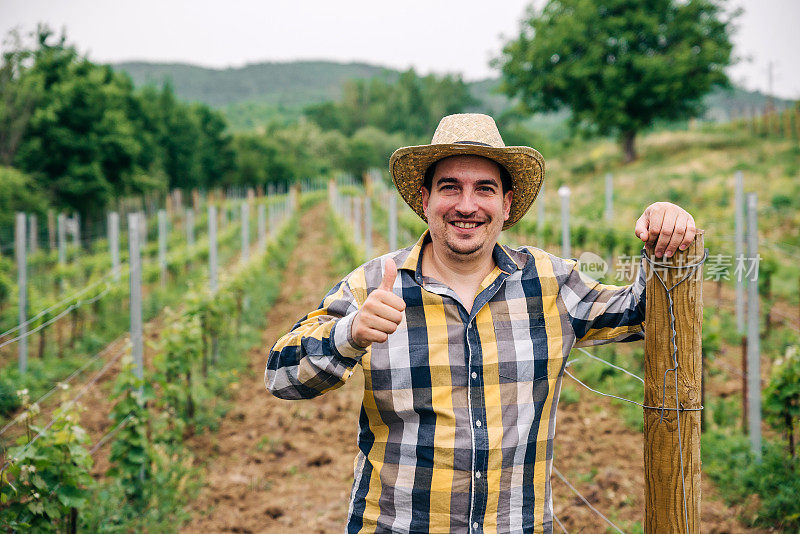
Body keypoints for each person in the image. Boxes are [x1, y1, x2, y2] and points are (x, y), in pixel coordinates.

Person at [265, 113, 696, 534]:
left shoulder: (549, 282)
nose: (466, 206)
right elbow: (280, 374)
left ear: (506, 204)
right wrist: (351, 333)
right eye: (449, 187)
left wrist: (665, 240)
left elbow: (644, 313)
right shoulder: (373, 285)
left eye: (484, 189)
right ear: (425, 199)